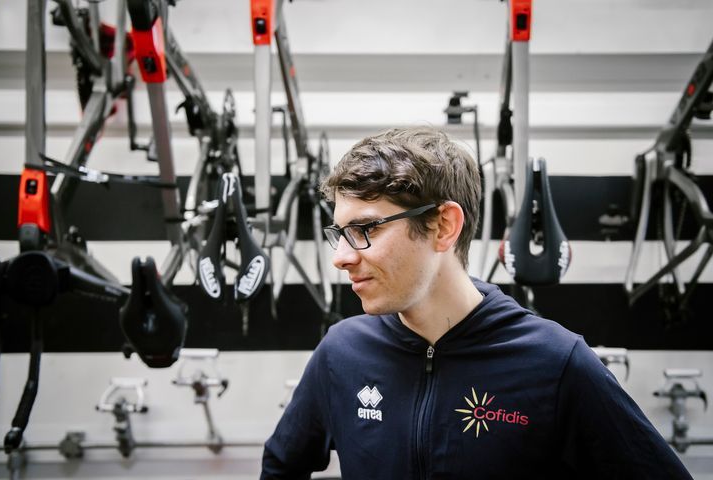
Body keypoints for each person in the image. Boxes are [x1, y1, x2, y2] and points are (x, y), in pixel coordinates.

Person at [260, 127, 692, 479]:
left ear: (444, 226)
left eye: (366, 229)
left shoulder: (556, 363)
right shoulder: (341, 352)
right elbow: (281, 466)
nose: (340, 257)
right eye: (340, 233)